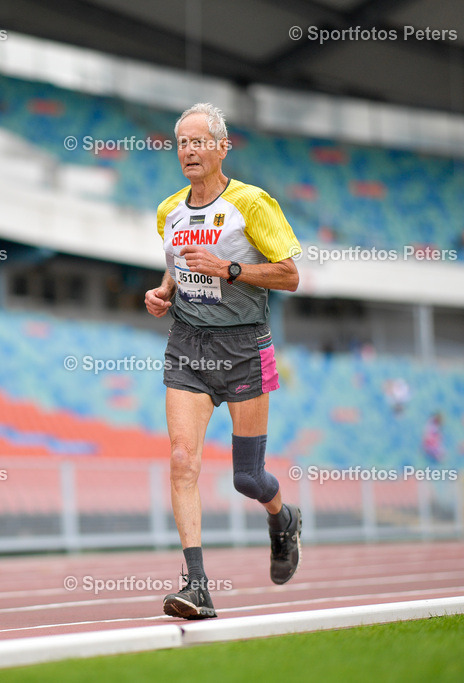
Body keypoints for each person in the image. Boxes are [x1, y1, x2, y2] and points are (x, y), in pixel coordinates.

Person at [145, 103, 303, 620]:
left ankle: (283, 518)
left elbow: (289, 275)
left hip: (244, 347)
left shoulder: (252, 203)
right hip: (188, 344)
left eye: (197, 142)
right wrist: (164, 291)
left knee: (247, 478)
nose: (188, 151)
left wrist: (230, 269)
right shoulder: (170, 209)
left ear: (221, 147)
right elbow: (174, 263)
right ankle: (197, 586)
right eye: (181, 143)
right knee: (181, 460)